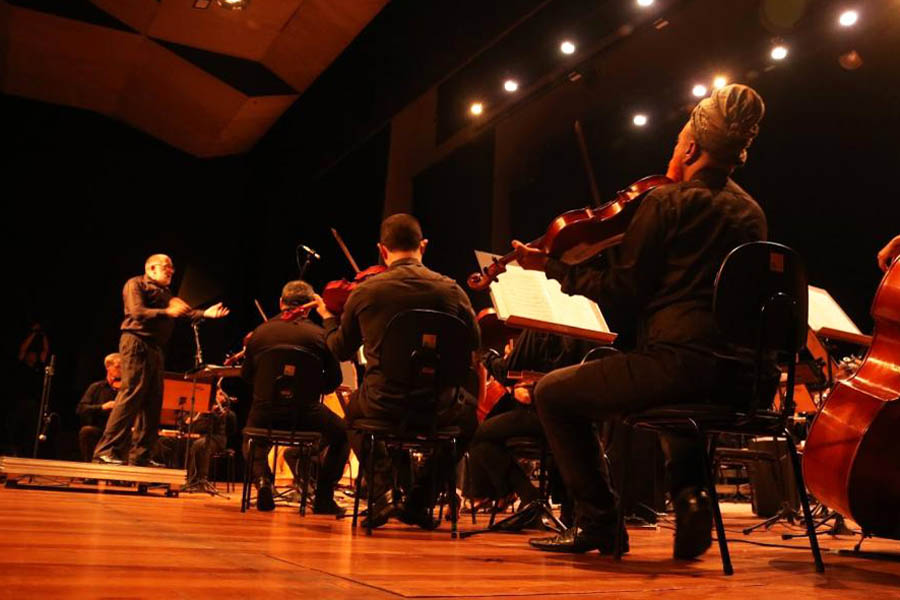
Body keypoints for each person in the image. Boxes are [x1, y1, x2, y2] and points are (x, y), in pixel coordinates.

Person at [509, 84, 773, 558]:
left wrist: (555, 268)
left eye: (676, 142)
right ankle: (691, 494)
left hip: (679, 366)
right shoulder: (751, 213)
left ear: (690, 147)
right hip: (742, 378)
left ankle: (599, 523)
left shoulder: (665, 204)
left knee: (553, 392)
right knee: (667, 386)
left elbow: (622, 293)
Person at [315, 213, 480, 529]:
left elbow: (340, 349)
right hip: (438, 406)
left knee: (352, 417)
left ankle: (382, 492)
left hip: (383, 403)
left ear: (382, 249)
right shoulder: (453, 291)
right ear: (424, 246)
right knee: (469, 419)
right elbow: (473, 343)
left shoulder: (365, 292)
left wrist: (329, 322)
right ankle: (420, 501)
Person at [93, 254, 229, 466]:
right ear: (151, 268)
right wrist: (167, 311)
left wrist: (205, 314)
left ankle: (141, 456)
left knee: (153, 401)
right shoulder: (136, 284)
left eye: (172, 268)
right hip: (136, 342)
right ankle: (106, 450)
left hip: (155, 348)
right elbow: (136, 312)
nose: (171, 271)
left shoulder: (165, 292)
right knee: (131, 395)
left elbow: (183, 313)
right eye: (167, 267)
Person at [467, 330, 596, 527]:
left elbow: (507, 372)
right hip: (581, 417)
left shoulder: (539, 328)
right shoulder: (585, 328)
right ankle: (562, 511)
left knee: (479, 437)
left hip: (544, 414)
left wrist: (489, 357)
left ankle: (529, 497)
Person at [241, 280, 348, 515]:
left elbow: (247, 376)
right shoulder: (321, 336)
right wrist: (309, 388)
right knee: (342, 434)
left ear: (281, 303)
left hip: (265, 412)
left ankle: (262, 481)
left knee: (252, 435)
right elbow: (334, 381)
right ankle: (323, 498)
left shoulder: (259, 333)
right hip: (305, 413)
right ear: (309, 307)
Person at [76, 353, 121, 462]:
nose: (123, 370)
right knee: (86, 431)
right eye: (118, 367)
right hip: (101, 429)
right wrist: (102, 407)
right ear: (108, 367)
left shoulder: (127, 389)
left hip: (120, 432)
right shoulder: (96, 387)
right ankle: (89, 470)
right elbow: (81, 409)